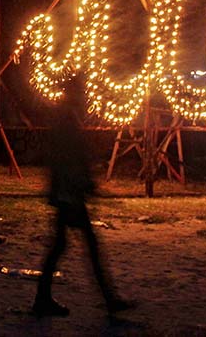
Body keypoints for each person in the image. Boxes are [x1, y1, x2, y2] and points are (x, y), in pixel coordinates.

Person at [33, 74, 134, 318]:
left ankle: (43, 299)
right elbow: (69, 158)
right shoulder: (66, 120)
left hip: (67, 192)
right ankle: (108, 299)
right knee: (86, 246)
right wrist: (82, 183)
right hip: (70, 194)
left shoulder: (64, 118)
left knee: (63, 246)